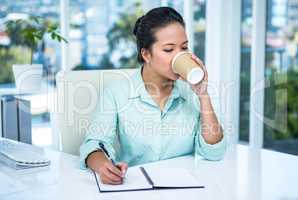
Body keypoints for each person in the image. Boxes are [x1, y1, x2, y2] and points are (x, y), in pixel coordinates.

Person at [80, 7, 226, 185]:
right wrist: (104, 166)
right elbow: (95, 143)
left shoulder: (192, 92)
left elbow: (214, 153)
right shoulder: (117, 92)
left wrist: (203, 95)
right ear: (146, 54)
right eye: (168, 49)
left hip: (185, 189)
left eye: (184, 47)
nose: (179, 55)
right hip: (136, 187)